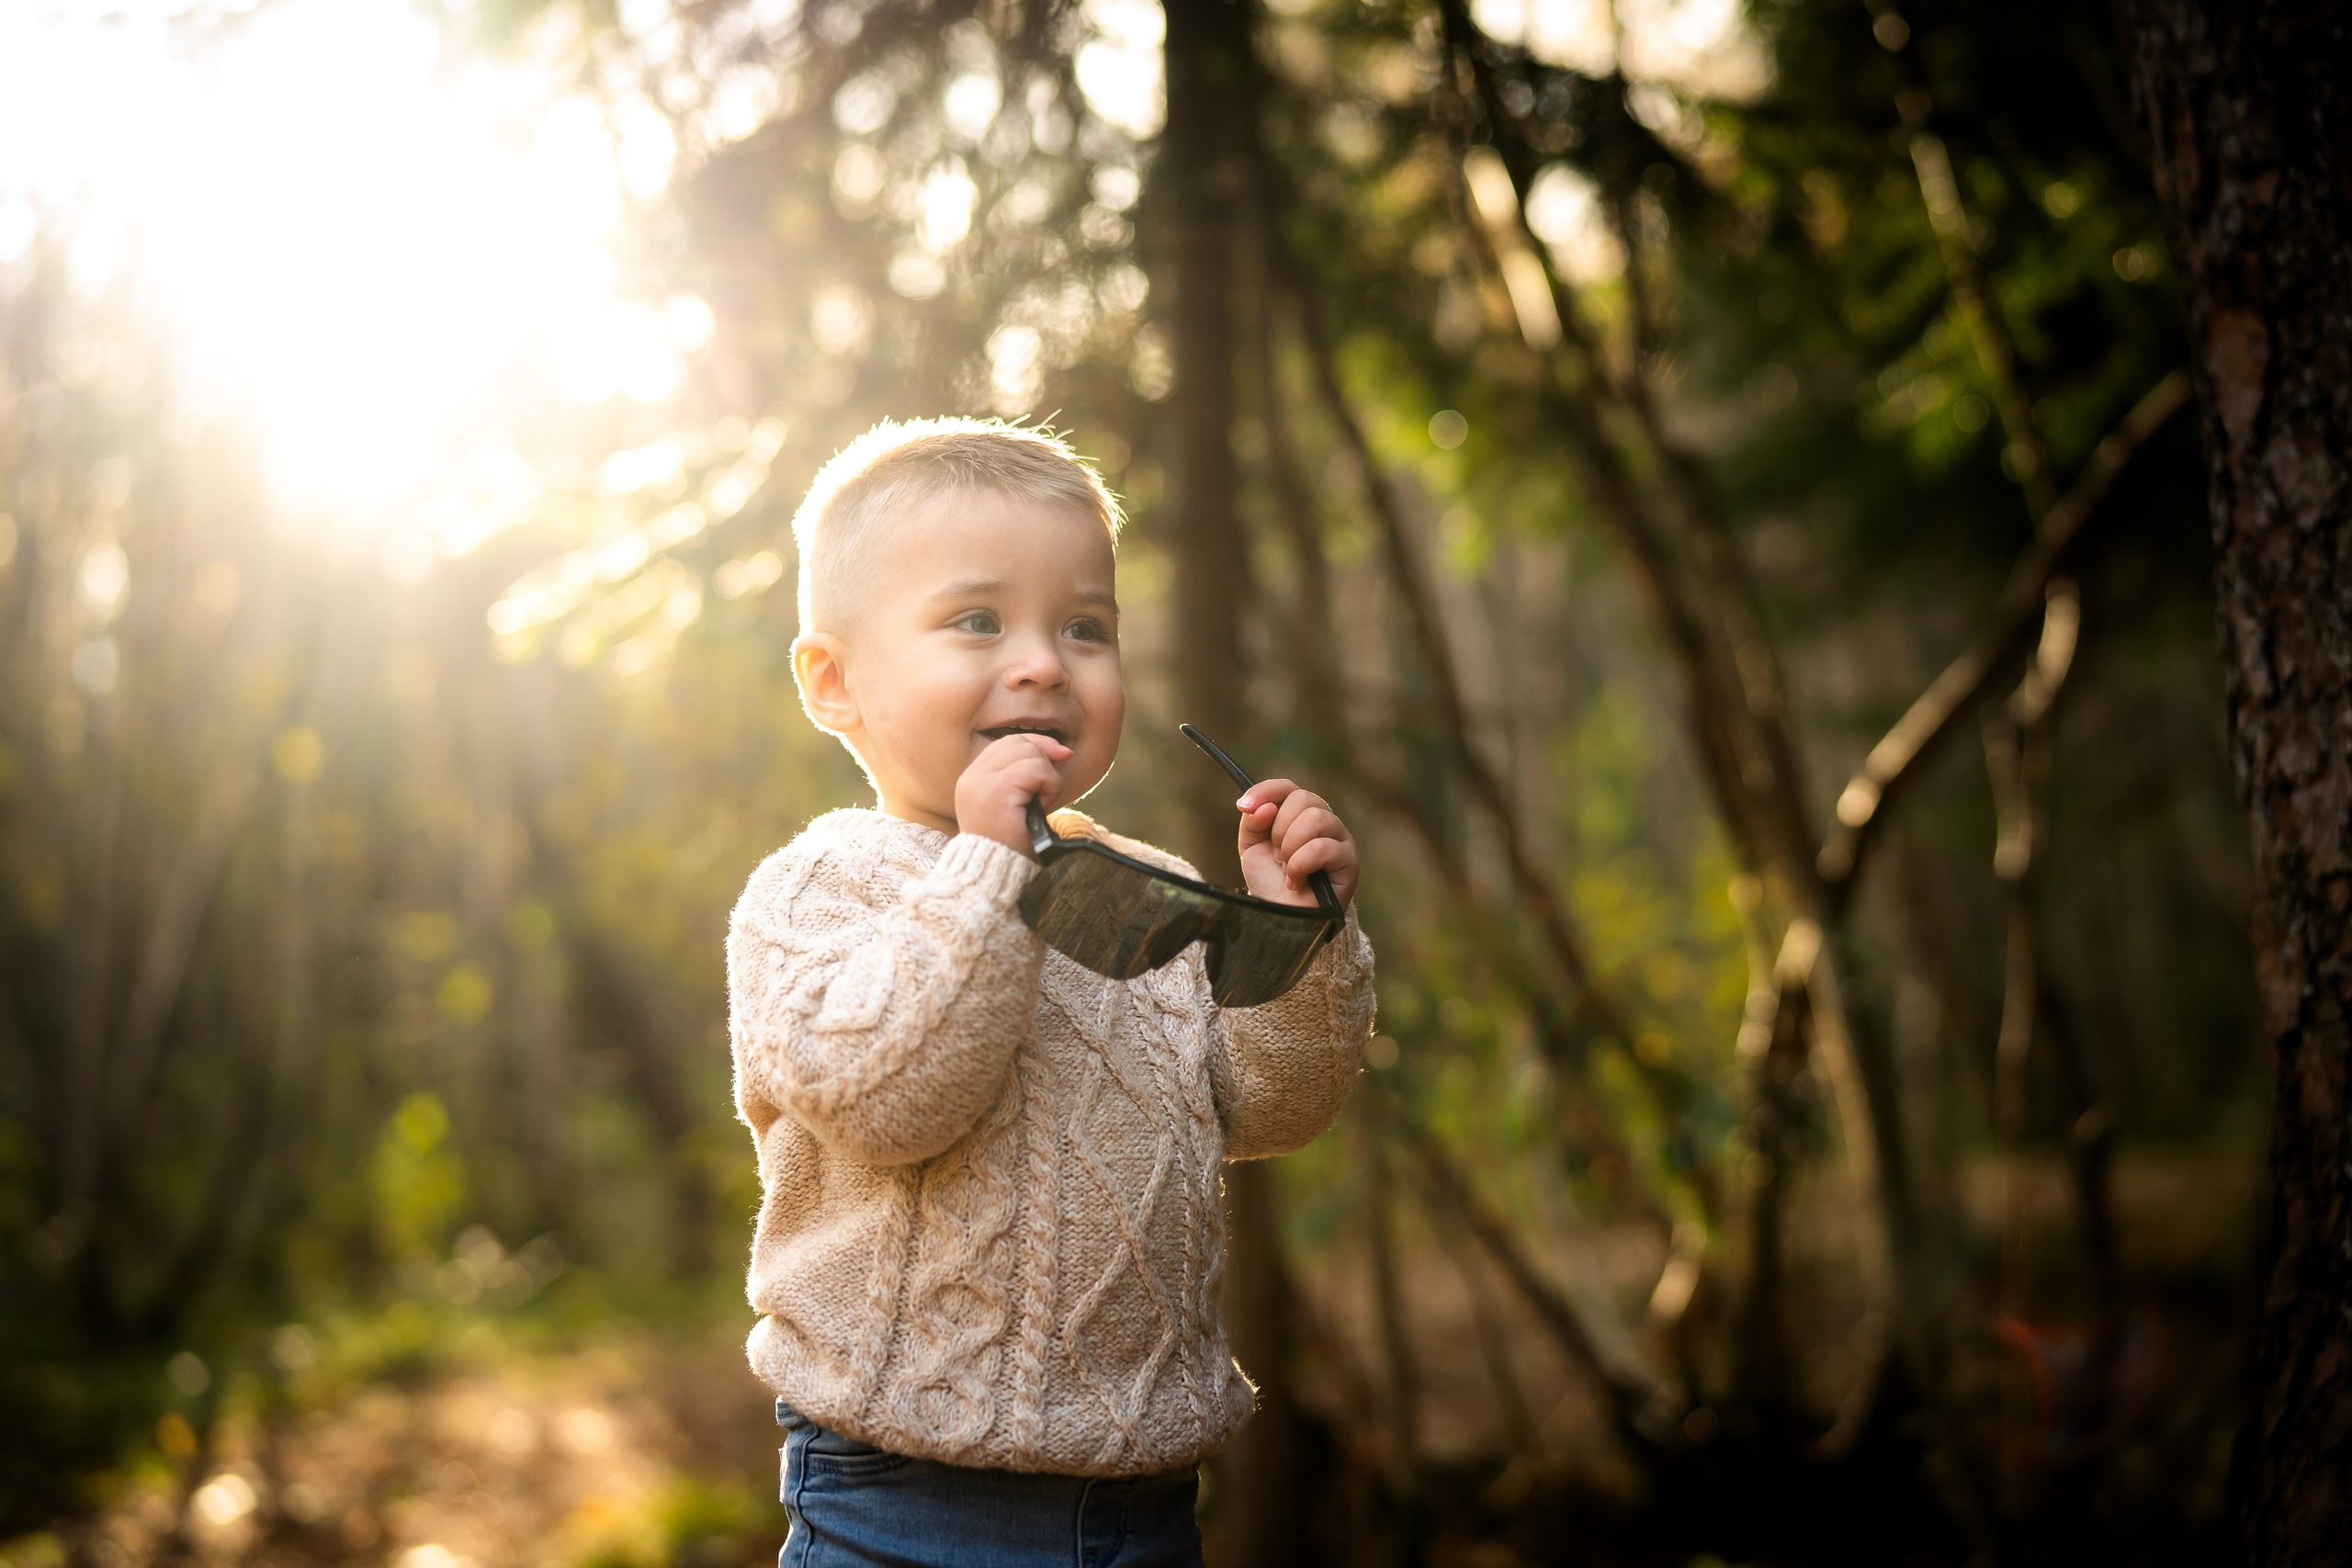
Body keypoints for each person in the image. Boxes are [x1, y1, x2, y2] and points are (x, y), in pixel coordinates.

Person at [726, 417, 1375, 1568]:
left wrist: (1294, 933)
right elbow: (894, 1099)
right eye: (977, 621)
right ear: (835, 682)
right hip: (902, 1505)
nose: (1041, 662)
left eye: (1085, 627)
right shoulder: (817, 893)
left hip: (1148, 1507)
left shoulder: (1149, 893)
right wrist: (989, 868)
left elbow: (1269, 1109)